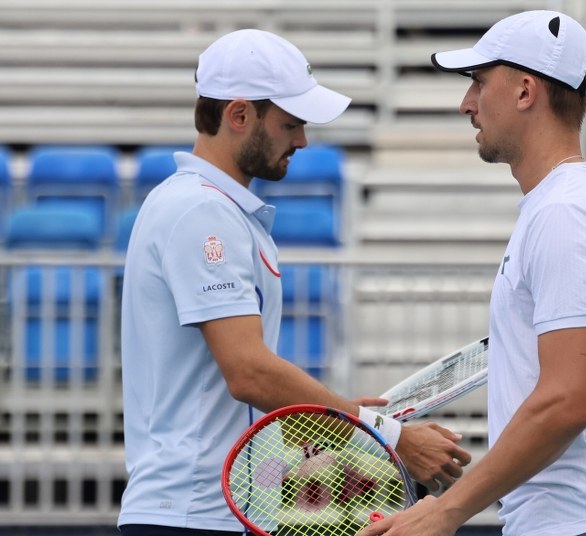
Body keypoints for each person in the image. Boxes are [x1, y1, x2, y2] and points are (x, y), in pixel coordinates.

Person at [117, 29, 471, 535]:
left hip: (211, 513)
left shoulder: (212, 209)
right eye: (290, 123)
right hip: (192, 518)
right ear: (238, 116)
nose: (302, 139)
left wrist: (334, 423)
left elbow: (233, 390)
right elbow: (249, 373)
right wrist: (383, 435)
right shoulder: (202, 212)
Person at [359, 10, 586, 536]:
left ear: (526, 91)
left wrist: (443, 512)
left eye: (479, 84)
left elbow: (567, 402)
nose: (467, 104)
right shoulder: (564, 206)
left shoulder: (564, 214)